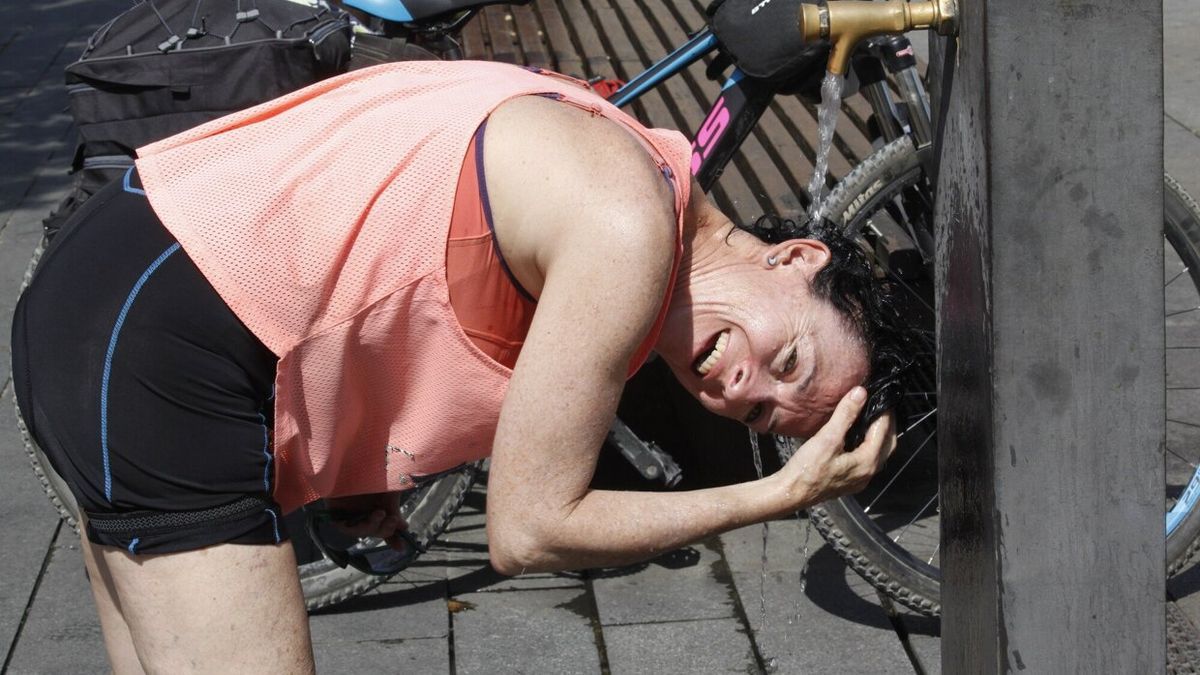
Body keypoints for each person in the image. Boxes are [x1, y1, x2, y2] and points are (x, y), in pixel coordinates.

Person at [12, 59, 902, 672]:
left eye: (755, 417)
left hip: (124, 276)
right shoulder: (629, 223)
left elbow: (396, 224)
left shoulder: (630, 155)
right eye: (789, 357)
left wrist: (358, 456)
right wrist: (777, 495)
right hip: (163, 337)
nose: (744, 387)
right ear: (796, 258)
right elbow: (527, 531)